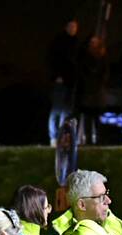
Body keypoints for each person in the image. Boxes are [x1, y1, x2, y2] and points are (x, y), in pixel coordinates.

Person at [47, 19, 79, 147]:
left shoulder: (76, 43)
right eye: (70, 26)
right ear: (66, 27)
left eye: (75, 27)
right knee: (56, 109)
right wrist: (57, 75)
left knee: (66, 111)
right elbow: (53, 59)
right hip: (60, 80)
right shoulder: (59, 42)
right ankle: (53, 137)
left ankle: (62, 136)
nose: (73, 29)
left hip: (71, 81)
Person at [76, 35, 108, 145]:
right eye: (92, 42)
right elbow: (82, 72)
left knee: (98, 117)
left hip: (98, 90)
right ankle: (88, 139)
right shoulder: (84, 57)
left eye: (96, 42)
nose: (94, 44)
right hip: (87, 90)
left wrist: (100, 83)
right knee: (87, 117)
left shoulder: (102, 57)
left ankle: (99, 140)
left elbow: (105, 72)